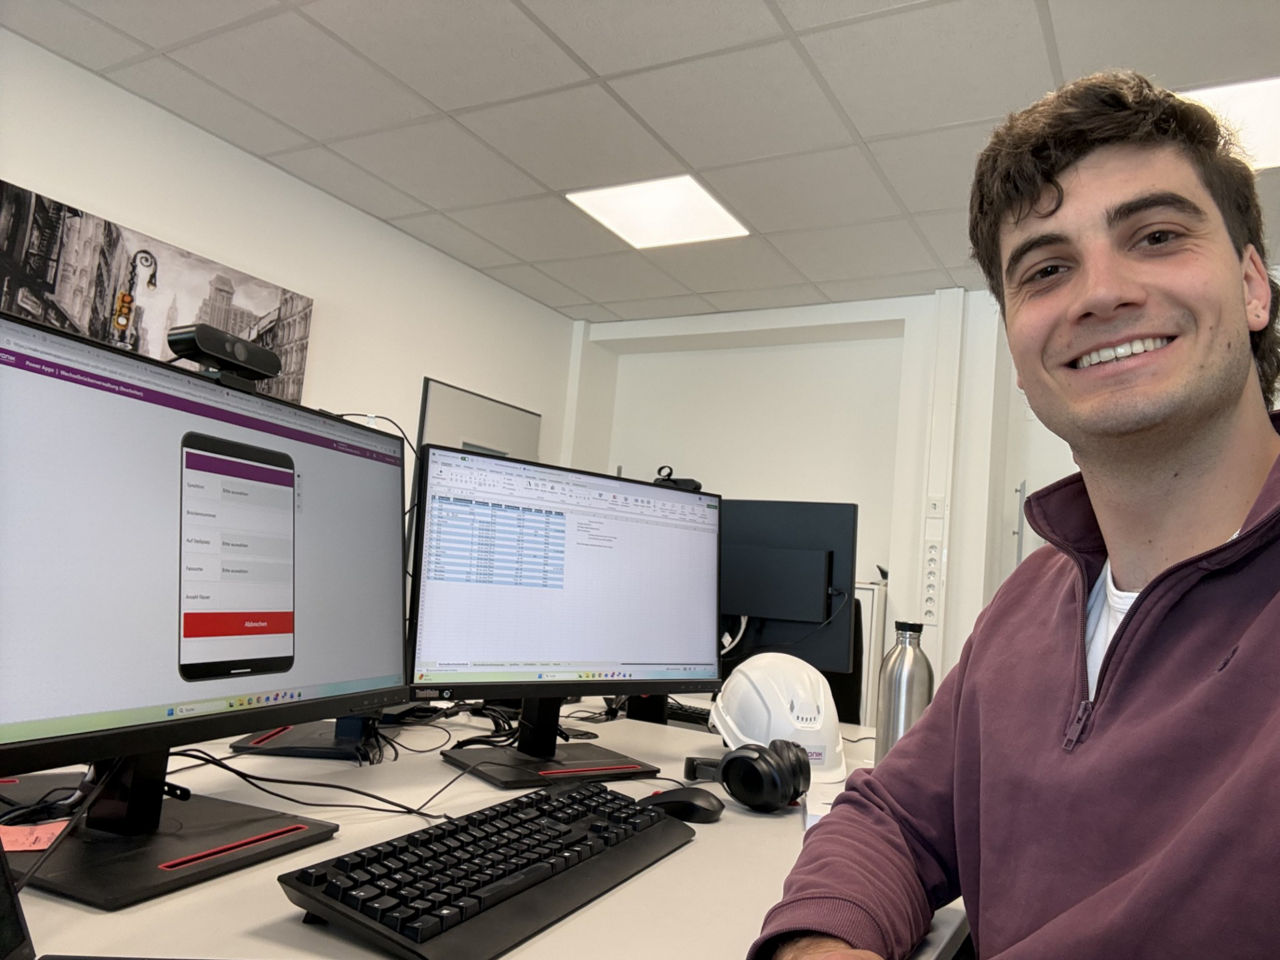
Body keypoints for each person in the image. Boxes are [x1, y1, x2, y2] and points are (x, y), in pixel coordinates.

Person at [746, 71, 1280, 960]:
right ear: (1020, 351)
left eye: (1155, 235)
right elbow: (895, 817)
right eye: (1046, 269)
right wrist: (822, 945)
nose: (1099, 293)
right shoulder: (1033, 598)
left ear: (1255, 285)